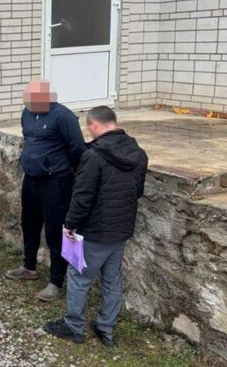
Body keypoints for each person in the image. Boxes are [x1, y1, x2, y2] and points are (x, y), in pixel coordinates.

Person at [44, 106, 148, 346]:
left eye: (88, 127)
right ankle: (106, 328)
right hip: (121, 228)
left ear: (94, 124)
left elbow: (82, 197)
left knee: (78, 275)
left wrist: (69, 225)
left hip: (95, 230)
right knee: (112, 280)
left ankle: (73, 326)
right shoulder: (138, 153)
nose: (88, 132)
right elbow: (138, 191)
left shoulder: (93, 156)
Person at [5, 79, 86, 302]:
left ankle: (56, 281)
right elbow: (28, 140)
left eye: (33, 100)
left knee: (56, 230)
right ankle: (29, 267)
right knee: (29, 224)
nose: (29, 105)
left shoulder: (64, 117)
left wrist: (60, 168)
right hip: (31, 180)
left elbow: (78, 150)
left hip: (56, 183)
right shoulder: (27, 113)